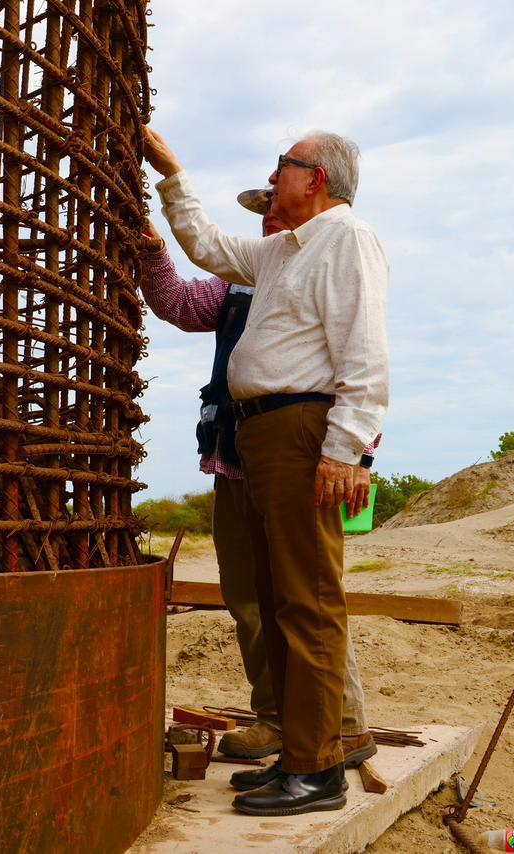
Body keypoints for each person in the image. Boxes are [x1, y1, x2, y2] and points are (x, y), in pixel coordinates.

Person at [145, 127, 389, 817]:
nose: (272, 180)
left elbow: (365, 353)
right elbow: (209, 249)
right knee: (285, 603)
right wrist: (171, 175)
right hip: (263, 434)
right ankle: (299, 754)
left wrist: (344, 452)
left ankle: (318, 770)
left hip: (301, 430)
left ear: (315, 178)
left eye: (282, 168)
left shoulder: (346, 241)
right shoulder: (285, 253)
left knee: (308, 603)